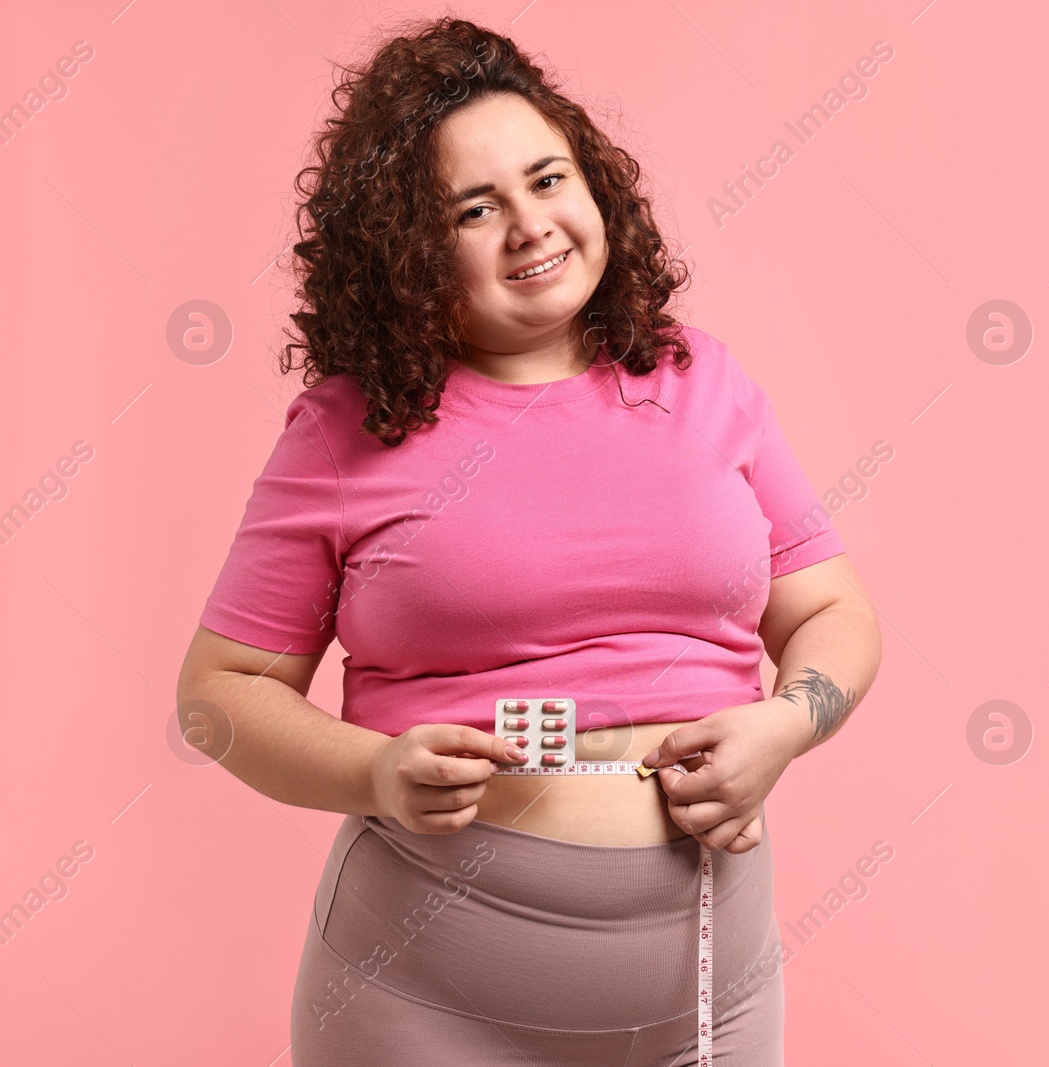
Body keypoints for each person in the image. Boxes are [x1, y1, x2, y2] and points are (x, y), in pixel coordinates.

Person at [174, 17, 881, 1066]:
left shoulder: (701, 380)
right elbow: (217, 693)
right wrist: (375, 771)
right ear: (408, 248)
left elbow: (833, 610)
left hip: (708, 990)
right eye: (474, 207)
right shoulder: (345, 427)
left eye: (548, 180)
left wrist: (787, 723)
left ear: (596, 185)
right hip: (423, 1004)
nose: (530, 226)